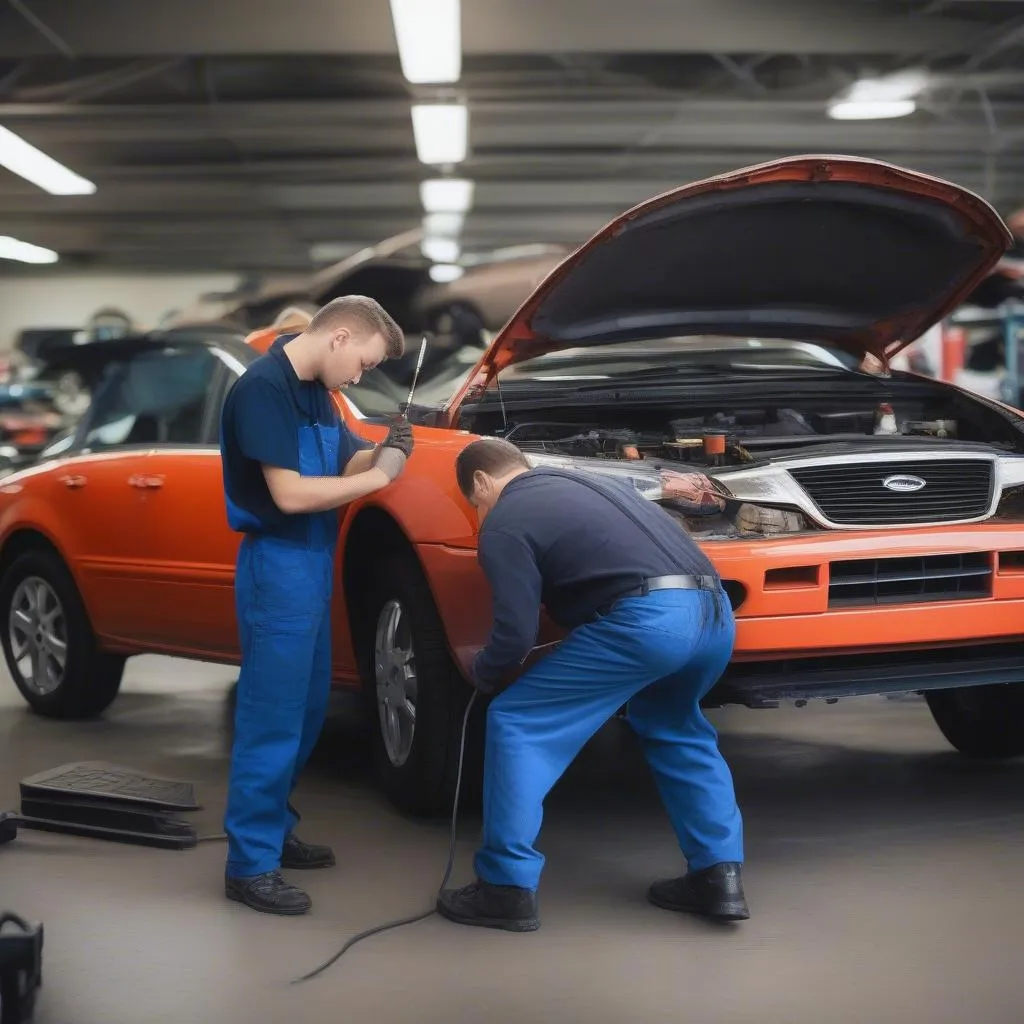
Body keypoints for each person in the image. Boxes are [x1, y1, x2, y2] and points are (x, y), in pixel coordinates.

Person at [437, 438, 747, 932]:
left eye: (476, 505)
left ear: (481, 482)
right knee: (674, 725)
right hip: (715, 614)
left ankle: (505, 886)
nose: (480, 515)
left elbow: (515, 631)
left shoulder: (507, 518)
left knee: (517, 719)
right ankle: (717, 876)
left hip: (651, 621)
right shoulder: (600, 485)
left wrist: (487, 674)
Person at [219, 295, 409, 915]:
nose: (359, 376)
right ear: (338, 337)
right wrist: (378, 479)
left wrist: (386, 446)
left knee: (305, 711)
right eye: (362, 362)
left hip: (311, 564)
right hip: (278, 563)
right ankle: (249, 865)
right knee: (271, 716)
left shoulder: (316, 390)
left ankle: (273, 829)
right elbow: (294, 494)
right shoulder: (264, 390)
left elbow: (345, 456)